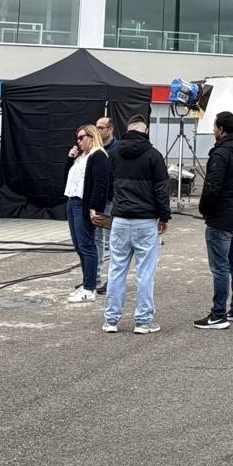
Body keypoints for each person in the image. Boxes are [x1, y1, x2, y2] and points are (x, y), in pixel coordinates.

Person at [99, 115, 170, 333]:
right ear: (145, 131)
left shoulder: (114, 154)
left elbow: (108, 185)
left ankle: (111, 320)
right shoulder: (154, 155)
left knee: (116, 269)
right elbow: (161, 189)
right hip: (145, 220)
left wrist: (113, 201)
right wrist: (164, 217)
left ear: (127, 130)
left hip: (120, 219)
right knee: (145, 273)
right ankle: (143, 321)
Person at [195, 110, 233, 330]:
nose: (213, 130)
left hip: (220, 216)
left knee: (220, 266)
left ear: (220, 129)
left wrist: (204, 209)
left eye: (214, 127)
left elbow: (212, 186)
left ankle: (218, 314)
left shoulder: (220, 153)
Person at [64, 124, 109, 302]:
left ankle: (89, 288)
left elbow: (99, 184)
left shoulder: (98, 156)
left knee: (87, 245)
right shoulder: (82, 157)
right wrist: (70, 159)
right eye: (77, 138)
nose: (78, 141)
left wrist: (93, 208)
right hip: (72, 200)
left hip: (83, 203)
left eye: (81, 137)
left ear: (91, 137)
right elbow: (67, 179)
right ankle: (86, 284)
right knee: (79, 245)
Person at [93, 115, 118, 292]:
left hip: (110, 202)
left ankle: (112, 280)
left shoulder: (116, 149)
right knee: (96, 240)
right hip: (97, 203)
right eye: (96, 127)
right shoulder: (95, 148)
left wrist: (112, 195)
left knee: (111, 242)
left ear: (110, 129)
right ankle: (93, 279)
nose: (98, 130)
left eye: (101, 127)